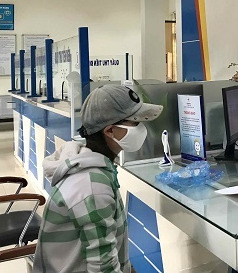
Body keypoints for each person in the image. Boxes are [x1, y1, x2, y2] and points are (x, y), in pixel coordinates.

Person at [33, 85, 163, 273]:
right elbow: (103, 269)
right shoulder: (92, 187)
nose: (141, 128)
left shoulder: (95, 167)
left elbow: (106, 251)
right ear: (109, 131)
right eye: (135, 123)